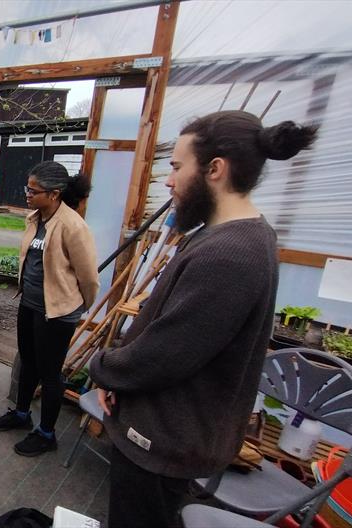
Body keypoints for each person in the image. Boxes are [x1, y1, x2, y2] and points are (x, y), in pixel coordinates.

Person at [88, 111, 318, 528]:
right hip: (163, 428)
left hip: (162, 439)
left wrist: (103, 368)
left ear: (215, 169)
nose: (168, 180)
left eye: (176, 166)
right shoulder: (239, 236)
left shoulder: (228, 255)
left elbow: (165, 353)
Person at [0, 161, 99, 457]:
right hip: (29, 303)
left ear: (53, 194)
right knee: (28, 361)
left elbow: (89, 277)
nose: (27, 193)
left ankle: (47, 433)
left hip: (58, 312)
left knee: (50, 374)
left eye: (32, 190)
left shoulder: (73, 226)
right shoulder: (34, 218)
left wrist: (78, 307)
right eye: (28, 187)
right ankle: (22, 414)